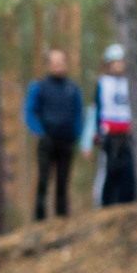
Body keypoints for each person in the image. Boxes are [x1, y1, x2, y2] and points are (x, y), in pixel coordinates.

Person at [24, 49, 84, 220]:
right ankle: (39, 218)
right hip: (47, 140)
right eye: (55, 62)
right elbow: (29, 112)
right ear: (48, 65)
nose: (58, 66)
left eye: (61, 62)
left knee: (63, 181)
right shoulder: (39, 86)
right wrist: (40, 132)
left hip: (66, 140)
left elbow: (79, 113)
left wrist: (76, 134)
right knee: (43, 179)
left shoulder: (73, 88)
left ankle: (62, 218)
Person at [85, 43, 136, 207]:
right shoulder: (103, 83)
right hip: (109, 135)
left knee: (128, 171)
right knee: (109, 171)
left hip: (127, 134)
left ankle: (127, 204)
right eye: (114, 62)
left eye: (120, 61)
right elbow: (97, 110)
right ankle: (105, 204)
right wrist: (94, 134)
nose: (117, 65)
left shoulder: (132, 83)